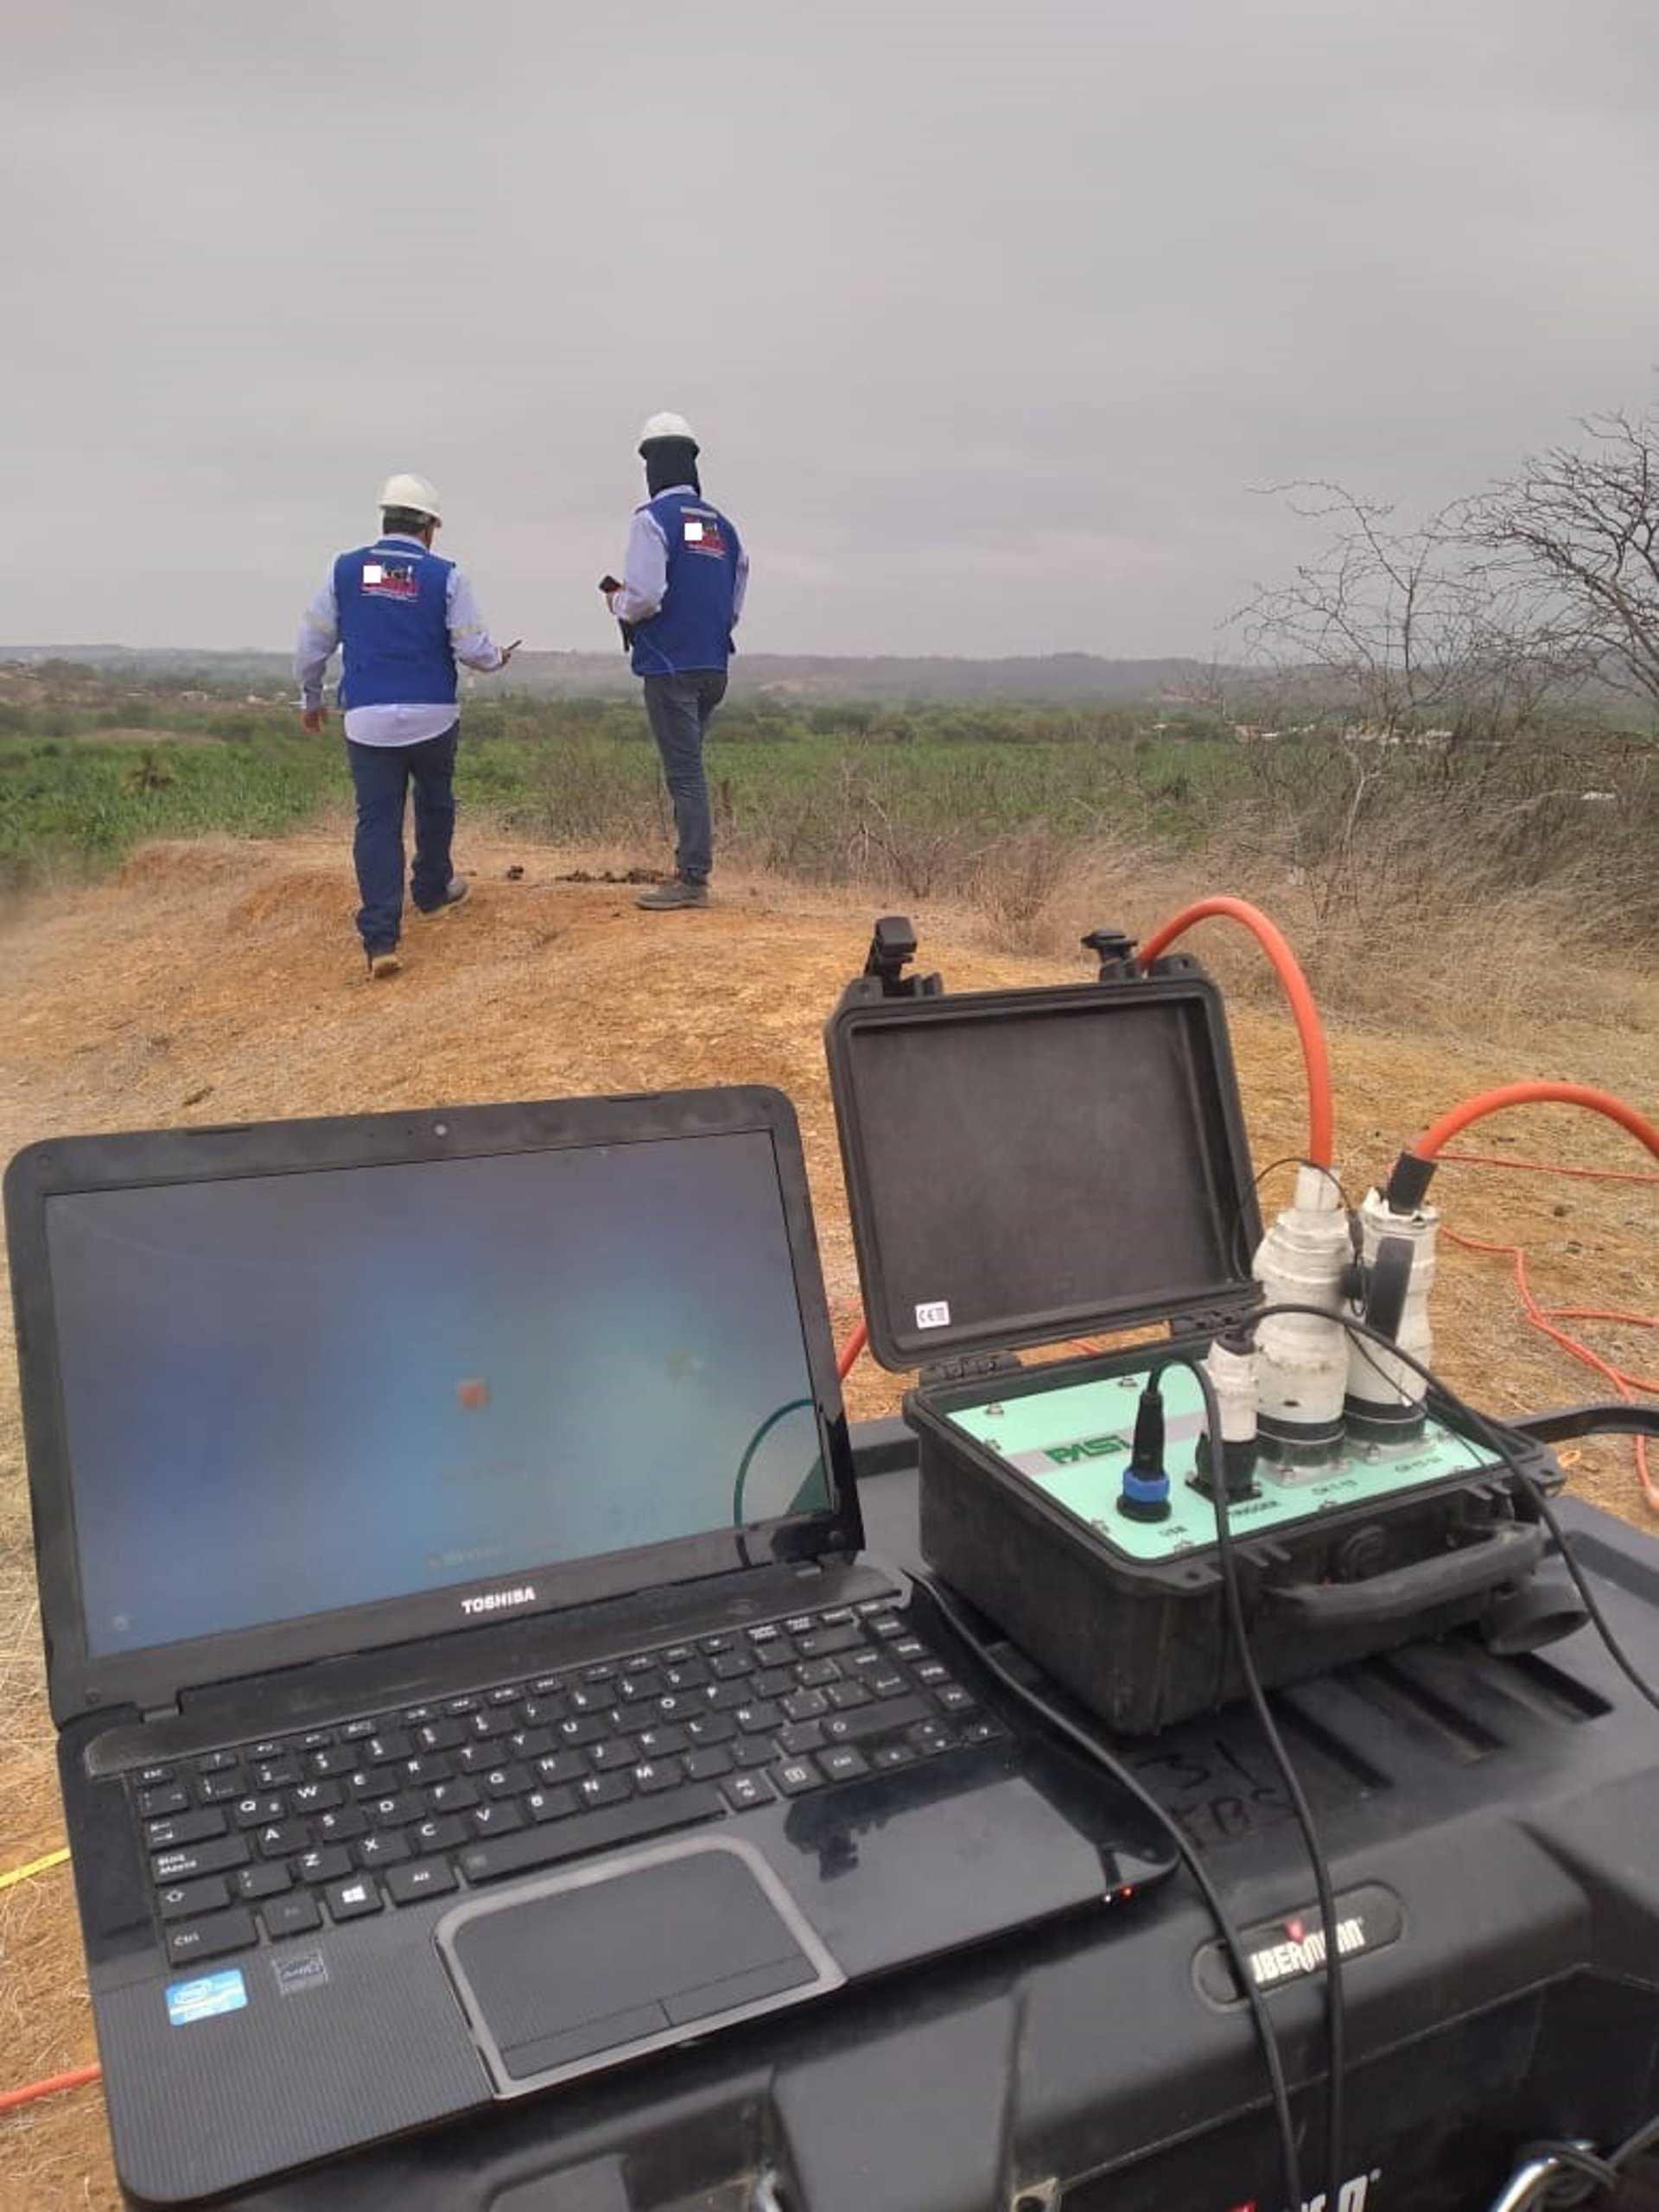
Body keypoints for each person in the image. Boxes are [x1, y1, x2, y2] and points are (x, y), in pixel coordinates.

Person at [296, 473, 518, 977]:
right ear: (430, 529)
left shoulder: (343, 571)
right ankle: (434, 892)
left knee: (377, 823)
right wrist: (496, 658)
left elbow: (311, 647)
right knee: (435, 802)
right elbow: (470, 649)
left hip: (368, 719)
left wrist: (311, 698)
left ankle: (381, 940)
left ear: (386, 518)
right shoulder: (446, 576)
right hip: (434, 714)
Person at [604, 413, 747, 910]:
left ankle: (692, 878)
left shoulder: (651, 520)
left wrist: (618, 604)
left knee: (685, 773)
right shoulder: (724, 528)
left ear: (651, 466)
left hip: (669, 666)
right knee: (690, 768)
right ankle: (688, 863)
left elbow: (644, 597)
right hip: (714, 666)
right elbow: (732, 604)